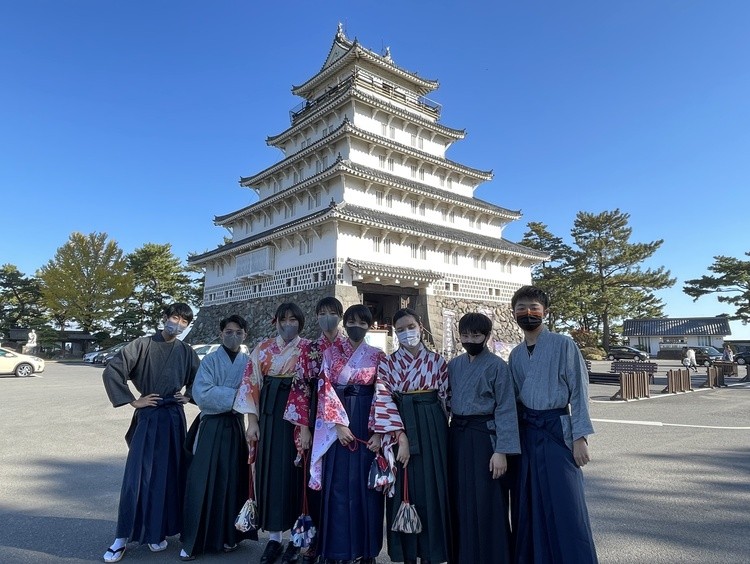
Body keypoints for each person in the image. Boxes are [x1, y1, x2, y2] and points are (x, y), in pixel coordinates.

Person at [102, 303, 200, 563]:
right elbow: (113, 369)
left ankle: (157, 532)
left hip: (173, 418)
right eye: (175, 317)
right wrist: (133, 400)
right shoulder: (142, 345)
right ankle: (121, 538)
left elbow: (199, 378)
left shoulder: (186, 351)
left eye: (184, 321)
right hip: (149, 415)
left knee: (169, 476)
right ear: (165, 317)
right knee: (137, 476)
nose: (178, 324)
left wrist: (188, 395)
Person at [507, 285, 598, 564]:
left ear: (545, 312)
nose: (528, 313)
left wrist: (580, 436)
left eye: (534, 307)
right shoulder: (515, 355)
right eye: (521, 308)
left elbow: (579, 391)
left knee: (566, 503)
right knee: (529, 502)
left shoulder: (563, 344)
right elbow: (512, 400)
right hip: (527, 433)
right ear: (513, 313)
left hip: (557, 430)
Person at [371, 308, 451, 564]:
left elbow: (446, 399)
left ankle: (431, 554)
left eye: (411, 327)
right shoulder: (388, 363)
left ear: (420, 326)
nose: (407, 333)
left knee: (433, 486)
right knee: (405, 487)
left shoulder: (437, 361)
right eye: (401, 330)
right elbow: (383, 398)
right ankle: (407, 554)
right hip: (400, 424)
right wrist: (400, 437)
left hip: (433, 427)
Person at [309, 304, 385, 564]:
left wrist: (378, 432)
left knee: (367, 488)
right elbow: (324, 388)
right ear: (345, 323)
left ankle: (367, 550)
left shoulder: (377, 355)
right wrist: (338, 425)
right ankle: (338, 550)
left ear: (369, 327)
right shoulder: (330, 353)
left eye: (363, 323)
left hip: (366, 422)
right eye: (352, 321)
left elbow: (383, 393)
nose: (357, 327)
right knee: (338, 487)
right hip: (338, 424)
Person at [234, 303, 309, 564]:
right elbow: (251, 383)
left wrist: (307, 425)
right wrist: (252, 422)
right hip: (269, 416)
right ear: (275, 322)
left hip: (299, 419)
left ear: (301, 323)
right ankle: (275, 538)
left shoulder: (308, 348)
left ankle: (297, 540)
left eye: (293, 319)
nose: (288, 324)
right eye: (283, 319)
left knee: (297, 475)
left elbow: (315, 386)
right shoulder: (263, 348)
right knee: (271, 474)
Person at [447, 312, 519, 564]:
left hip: (485, 437)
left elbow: (506, 408)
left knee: (488, 499)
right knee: (459, 497)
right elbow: (446, 400)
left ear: (487, 337)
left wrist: (502, 450)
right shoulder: (454, 365)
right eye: (465, 335)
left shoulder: (498, 366)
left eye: (476, 335)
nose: (470, 340)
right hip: (458, 435)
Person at [179, 315, 253, 561]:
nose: (233, 336)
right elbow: (202, 394)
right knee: (202, 481)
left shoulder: (247, 362)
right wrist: (238, 396)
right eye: (229, 332)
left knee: (232, 481)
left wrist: (239, 398)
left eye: (238, 332)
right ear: (221, 334)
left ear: (245, 335)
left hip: (235, 426)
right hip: (211, 425)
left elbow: (254, 392)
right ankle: (193, 540)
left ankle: (230, 535)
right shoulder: (209, 361)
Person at [284, 297, 347, 564]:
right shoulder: (310, 348)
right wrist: (303, 429)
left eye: (332, 312)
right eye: (322, 313)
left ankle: (341, 543)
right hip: (315, 418)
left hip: (345, 417)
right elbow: (300, 388)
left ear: (340, 316)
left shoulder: (350, 347)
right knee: (315, 483)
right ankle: (314, 542)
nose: (327, 317)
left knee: (342, 483)